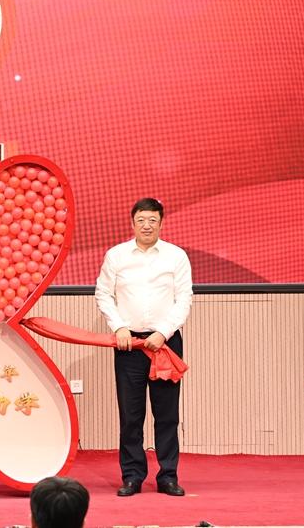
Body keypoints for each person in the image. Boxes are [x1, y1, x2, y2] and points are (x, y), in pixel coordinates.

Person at [95, 198, 192, 497]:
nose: (147, 225)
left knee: (167, 415)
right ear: (132, 223)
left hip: (165, 344)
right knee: (131, 415)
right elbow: (103, 294)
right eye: (141, 220)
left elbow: (184, 298)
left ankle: (168, 477)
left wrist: (163, 332)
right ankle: (132, 476)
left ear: (161, 223)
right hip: (130, 345)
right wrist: (119, 327)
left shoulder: (176, 256)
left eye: (152, 220)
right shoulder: (116, 255)